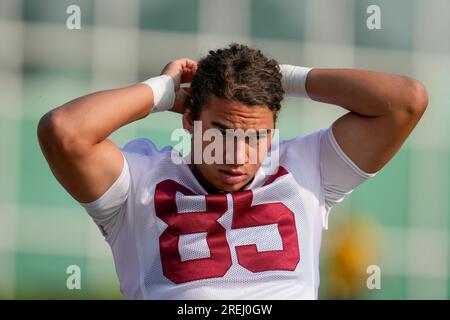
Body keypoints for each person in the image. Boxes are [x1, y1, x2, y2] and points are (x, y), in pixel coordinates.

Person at [37, 43, 428, 299]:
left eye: (256, 136)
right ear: (188, 120)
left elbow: (405, 102)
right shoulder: (140, 182)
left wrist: (283, 77)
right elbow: (64, 131)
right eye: (221, 133)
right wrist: (161, 91)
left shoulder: (309, 167)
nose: (238, 156)